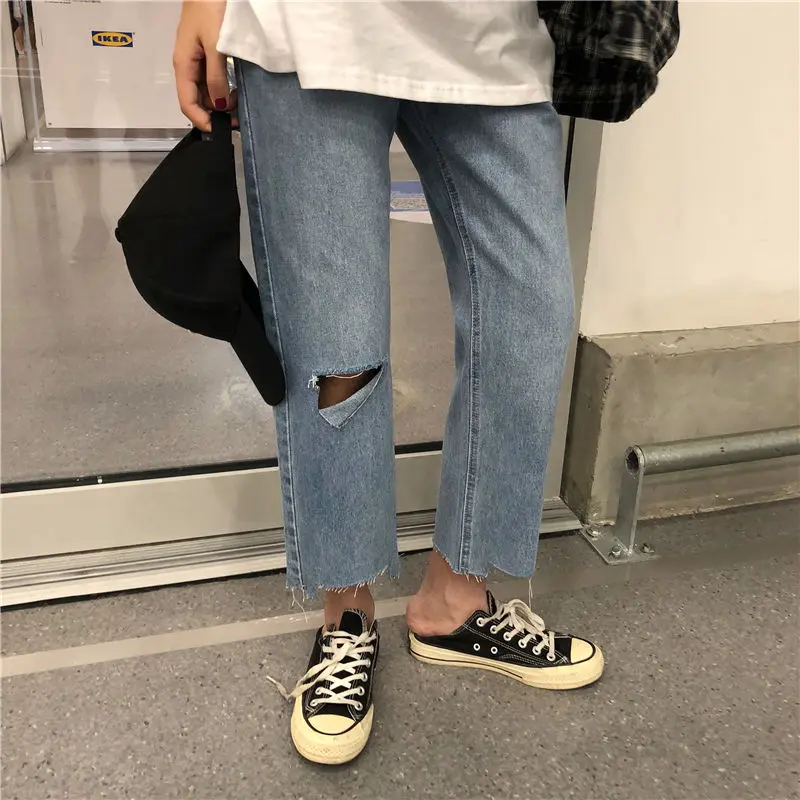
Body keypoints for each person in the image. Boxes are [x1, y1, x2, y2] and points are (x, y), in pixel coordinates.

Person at [173, 0, 604, 766]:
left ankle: (453, 600)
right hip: (312, 27)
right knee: (336, 349)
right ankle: (347, 618)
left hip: (493, 32)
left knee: (531, 318)